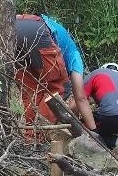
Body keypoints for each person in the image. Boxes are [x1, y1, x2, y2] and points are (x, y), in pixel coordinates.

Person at [13, 13, 69, 142]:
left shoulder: (58, 32)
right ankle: (38, 133)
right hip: (36, 31)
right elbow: (77, 94)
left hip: (11, 26)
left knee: (31, 91)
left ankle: (30, 137)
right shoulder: (74, 55)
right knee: (59, 88)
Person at [37, 13, 96, 131]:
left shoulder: (65, 43)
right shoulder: (75, 56)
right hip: (44, 34)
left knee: (33, 89)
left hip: (28, 24)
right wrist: (94, 131)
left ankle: (33, 133)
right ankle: (48, 130)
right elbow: (81, 98)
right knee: (62, 89)